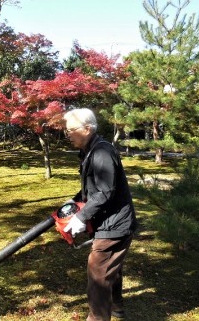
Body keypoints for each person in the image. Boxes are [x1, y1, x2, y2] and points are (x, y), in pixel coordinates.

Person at [62, 108, 137, 321]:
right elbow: (92, 187)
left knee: (98, 271)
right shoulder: (90, 151)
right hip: (110, 220)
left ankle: (97, 318)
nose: (68, 134)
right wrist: (75, 201)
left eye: (71, 130)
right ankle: (117, 307)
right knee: (111, 267)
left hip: (115, 224)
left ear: (87, 129)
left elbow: (106, 191)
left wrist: (81, 217)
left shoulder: (101, 152)